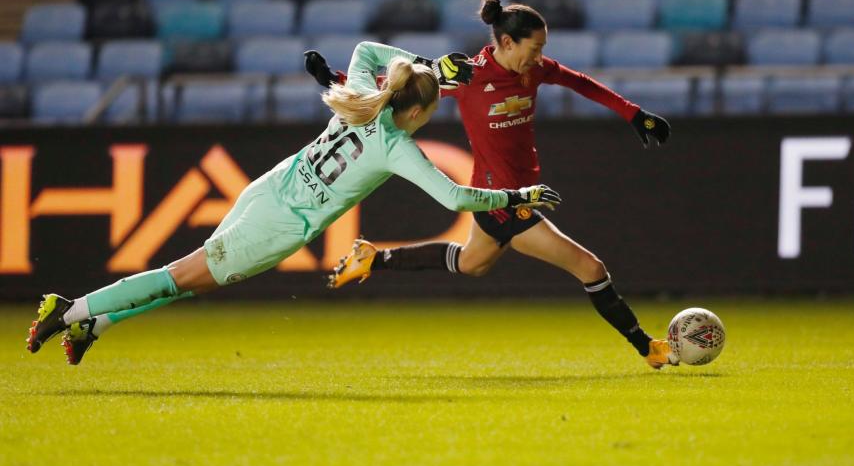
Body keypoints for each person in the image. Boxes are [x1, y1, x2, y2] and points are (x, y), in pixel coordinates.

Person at [25, 40, 561, 365]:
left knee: (192, 281)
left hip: (268, 190)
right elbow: (457, 195)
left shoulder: (360, 100)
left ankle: (96, 326)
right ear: (419, 113)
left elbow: (370, 53)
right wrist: (519, 195)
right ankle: (70, 309)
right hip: (279, 226)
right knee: (177, 277)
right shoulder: (396, 147)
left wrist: (424, 65)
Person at [315, 0, 678, 370]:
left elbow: (581, 83)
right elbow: (398, 88)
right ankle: (648, 348)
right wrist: (337, 81)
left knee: (472, 263)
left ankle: (373, 259)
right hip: (503, 200)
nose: (539, 56)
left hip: (511, 193)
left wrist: (634, 114)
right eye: (534, 48)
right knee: (591, 268)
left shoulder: (534, 70)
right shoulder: (470, 77)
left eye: (542, 49)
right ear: (507, 43)